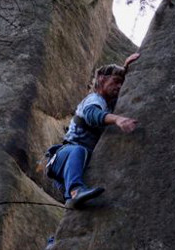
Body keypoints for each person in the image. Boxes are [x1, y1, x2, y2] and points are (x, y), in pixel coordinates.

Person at [47, 53, 140, 209]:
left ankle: (74, 196)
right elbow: (92, 115)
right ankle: (76, 192)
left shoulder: (109, 103)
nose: (119, 87)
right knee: (78, 150)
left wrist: (127, 68)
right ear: (102, 79)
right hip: (63, 158)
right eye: (115, 82)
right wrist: (117, 119)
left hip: (77, 165)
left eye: (121, 84)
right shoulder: (94, 99)